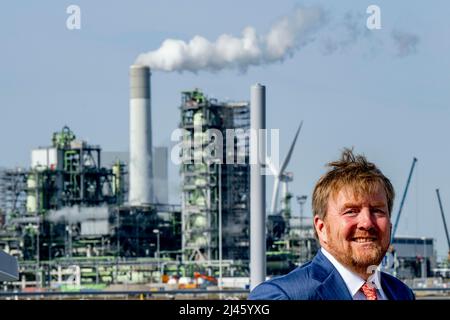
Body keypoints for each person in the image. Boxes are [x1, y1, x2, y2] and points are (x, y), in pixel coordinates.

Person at [249, 148, 415, 300]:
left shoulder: (401, 293)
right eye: (351, 211)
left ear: (390, 225)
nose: (366, 222)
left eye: (378, 211)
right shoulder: (283, 295)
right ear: (321, 229)